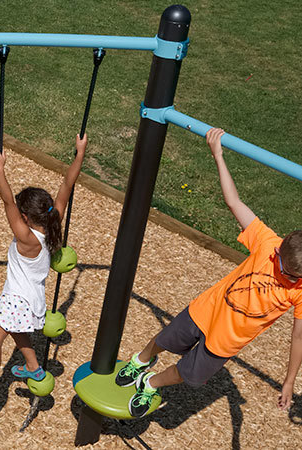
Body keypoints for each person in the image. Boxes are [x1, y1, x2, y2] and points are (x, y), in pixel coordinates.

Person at [115, 128, 302, 418]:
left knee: (188, 374)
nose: (287, 279)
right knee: (165, 339)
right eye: (284, 270)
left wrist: (288, 381)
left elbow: (299, 337)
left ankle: (150, 382)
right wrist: (218, 154)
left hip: (227, 340)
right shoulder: (267, 242)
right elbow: (234, 203)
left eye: (293, 278)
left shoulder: (300, 290)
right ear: (277, 253)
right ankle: (141, 360)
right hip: (207, 309)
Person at [0, 135, 87, 408]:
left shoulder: (26, 237)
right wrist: (79, 154)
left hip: (16, 299)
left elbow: (7, 202)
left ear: (25, 217)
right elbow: (67, 185)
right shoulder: (53, 225)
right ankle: (34, 367)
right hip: (34, 300)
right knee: (17, 332)